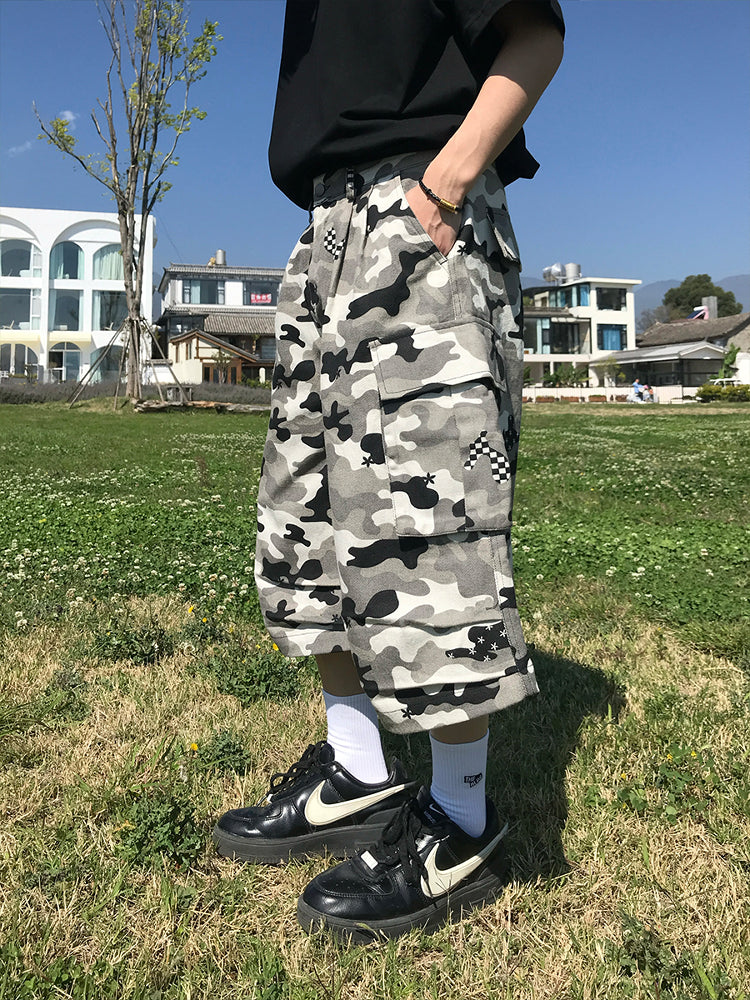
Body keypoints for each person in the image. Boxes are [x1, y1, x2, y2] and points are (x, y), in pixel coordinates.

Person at [214, 0, 565, 942]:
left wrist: (445, 184)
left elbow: (537, 36)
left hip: (417, 215)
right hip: (326, 231)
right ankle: (359, 770)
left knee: (427, 530)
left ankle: (461, 817)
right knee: (307, 526)